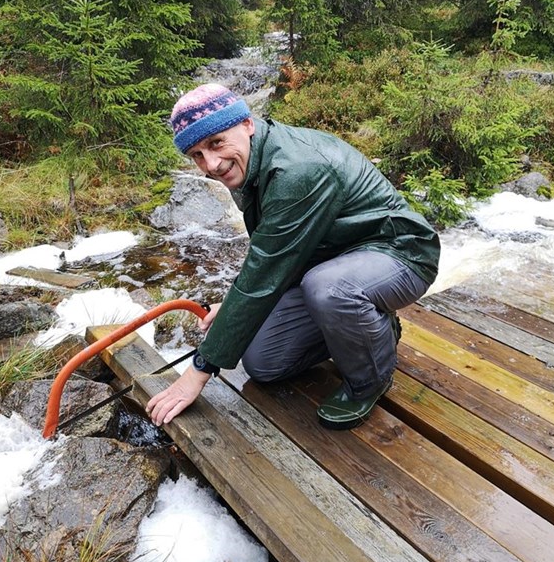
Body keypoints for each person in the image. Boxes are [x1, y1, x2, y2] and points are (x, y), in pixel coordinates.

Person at [147, 83, 440, 430]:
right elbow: (270, 256)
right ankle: (372, 326)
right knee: (265, 363)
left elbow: (268, 267)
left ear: (247, 124)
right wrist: (231, 306)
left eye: (215, 143)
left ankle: (370, 380)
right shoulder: (251, 164)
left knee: (330, 289)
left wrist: (199, 370)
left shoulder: (297, 170)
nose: (211, 164)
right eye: (197, 155)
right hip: (330, 260)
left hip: (400, 252)